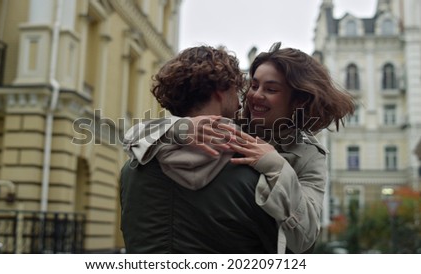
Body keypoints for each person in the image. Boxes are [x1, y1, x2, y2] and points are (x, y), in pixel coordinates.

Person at [122, 42, 356, 253]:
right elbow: (133, 137)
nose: (254, 96)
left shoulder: (308, 155)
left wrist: (276, 166)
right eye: (253, 85)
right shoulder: (227, 124)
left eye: (271, 89)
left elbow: (305, 236)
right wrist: (180, 128)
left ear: (299, 100)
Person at [120, 45, 283, 253]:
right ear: (220, 93)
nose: (240, 102)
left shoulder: (132, 168)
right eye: (236, 90)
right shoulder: (252, 171)